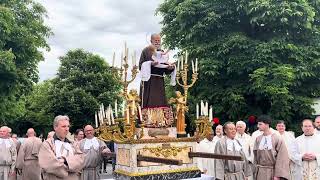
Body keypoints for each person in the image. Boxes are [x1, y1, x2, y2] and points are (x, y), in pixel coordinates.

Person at [139, 33, 175, 128]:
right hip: (149, 81)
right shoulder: (146, 51)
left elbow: (165, 69)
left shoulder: (162, 52)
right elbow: (141, 65)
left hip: (159, 81)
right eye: (156, 40)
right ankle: (148, 122)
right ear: (151, 40)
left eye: (159, 40)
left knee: (161, 101)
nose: (158, 42)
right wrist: (150, 63)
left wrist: (170, 68)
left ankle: (162, 122)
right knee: (150, 100)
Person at [38, 115, 84, 179]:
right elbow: (50, 164)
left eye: (68, 126)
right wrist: (71, 166)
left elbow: (80, 159)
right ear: (55, 127)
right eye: (63, 126)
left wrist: (65, 160)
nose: (67, 129)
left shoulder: (73, 143)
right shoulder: (47, 144)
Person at [253, 115, 289, 180]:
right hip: (260, 172)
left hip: (272, 172)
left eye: (260, 124)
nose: (258, 126)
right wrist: (255, 171)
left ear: (267, 124)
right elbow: (255, 157)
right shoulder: (258, 139)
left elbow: (282, 158)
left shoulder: (277, 138)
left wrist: (278, 175)